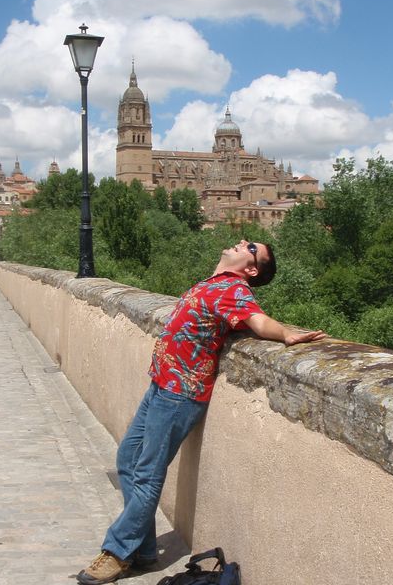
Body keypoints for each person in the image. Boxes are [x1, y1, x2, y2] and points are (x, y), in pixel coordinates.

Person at [76, 240, 326, 585]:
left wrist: (286, 334)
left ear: (251, 269)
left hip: (180, 393)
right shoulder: (214, 284)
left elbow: (257, 320)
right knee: (127, 460)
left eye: (251, 246)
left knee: (147, 472)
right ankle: (146, 551)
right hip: (162, 383)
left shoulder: (235, 289)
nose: (241, 242)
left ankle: (117, 553)